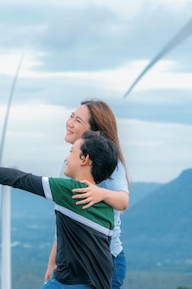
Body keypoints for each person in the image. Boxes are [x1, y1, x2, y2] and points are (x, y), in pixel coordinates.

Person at [0, 130, 119, 289]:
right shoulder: (106, 206)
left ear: (85, 159)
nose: (66, 158)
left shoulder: (72, 190)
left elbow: (20, 179)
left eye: (71, 151)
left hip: (68, 284)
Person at [44, 99, 130, 289]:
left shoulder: (111, 165)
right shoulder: (67, 166)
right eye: (71, 116)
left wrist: (100, 193)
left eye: (78, 120)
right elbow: (65, 218)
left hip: (105, 263)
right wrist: (53, 262)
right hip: (72, 265)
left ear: (95, 133)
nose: (70, 122)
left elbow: (123, 201)